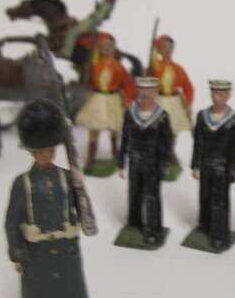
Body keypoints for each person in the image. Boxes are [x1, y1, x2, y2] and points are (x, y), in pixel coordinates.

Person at [4, 99, 98, 298]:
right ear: (31, 152)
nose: (46, 156)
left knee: (72, 294)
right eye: (40, 152)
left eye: (50, 150)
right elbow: (12, 221)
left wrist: (84, 205)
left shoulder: (68, 178)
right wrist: (18, 252)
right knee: (38, 294)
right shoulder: (22, 183)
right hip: (37, 251)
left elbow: (81, 208)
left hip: (67, 249)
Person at [117, 77, 173, 245]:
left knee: (151, 197)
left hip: (153, 163)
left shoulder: (162, 117)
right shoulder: (130, 114)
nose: (145, 93)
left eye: (149, 90)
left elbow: (166, 143)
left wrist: (164, 163)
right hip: (135, 162)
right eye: (141, 89)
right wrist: (121, 163)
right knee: (134, 193)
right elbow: (125, 139)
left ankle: (153, 229)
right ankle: (134, 222)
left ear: (156, 92)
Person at [190, 80, 235, 249]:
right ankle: (205, 224)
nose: (216, 97)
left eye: (221, 94)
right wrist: (196, 165)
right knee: (205, 196)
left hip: (222, 167)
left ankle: (220, 233)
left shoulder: (233, 120)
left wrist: (233, 168)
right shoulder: (202, 116)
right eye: (214, 93)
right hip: (206, 165)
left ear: (228, 96)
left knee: (219, 201)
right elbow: (198, 142)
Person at [75, 32, 135, 170]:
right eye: (103, 46)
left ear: (114, 48)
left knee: (114, 127)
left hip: (113, 99)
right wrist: (87, 89)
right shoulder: (94, 65)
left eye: (110, 46)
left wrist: (128, 98)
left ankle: (115, 150)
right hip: (98, 98)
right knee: (94, 127)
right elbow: (88, 81)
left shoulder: (118, 67)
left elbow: (129, 84)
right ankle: (91, 156)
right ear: (99, 48)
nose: (106, 49)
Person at [148, 35, 193, 166]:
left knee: (173, 128)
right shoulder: (154, 67)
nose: (167, 50)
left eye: (170, 47)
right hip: (159, 100)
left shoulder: (178, 68)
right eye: (164, 47)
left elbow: (188, 87)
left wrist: (188, 102)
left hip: (174, 101)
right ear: (159, 49)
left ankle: (170, 151)